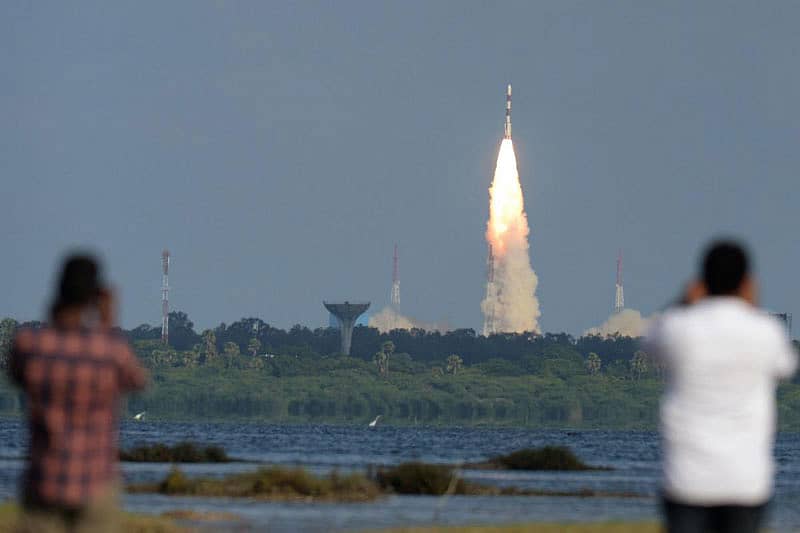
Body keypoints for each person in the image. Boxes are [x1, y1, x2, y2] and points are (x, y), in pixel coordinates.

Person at [647, 240, 797, 533]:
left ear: (701, 282)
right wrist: (751, 306)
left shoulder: (680, 328)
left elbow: (651, 341)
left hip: (687, 481)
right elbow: (786, 366)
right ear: (747, 283)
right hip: (746, 483)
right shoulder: (766, 331)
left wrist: (685, 301)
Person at [8, 254, 147, 533]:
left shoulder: (29, 345)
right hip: (95, 485)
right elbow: (137, 380)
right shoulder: (111, 350)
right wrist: (107, 322)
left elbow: (16, 375)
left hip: (44, 482)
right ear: (95, 296)